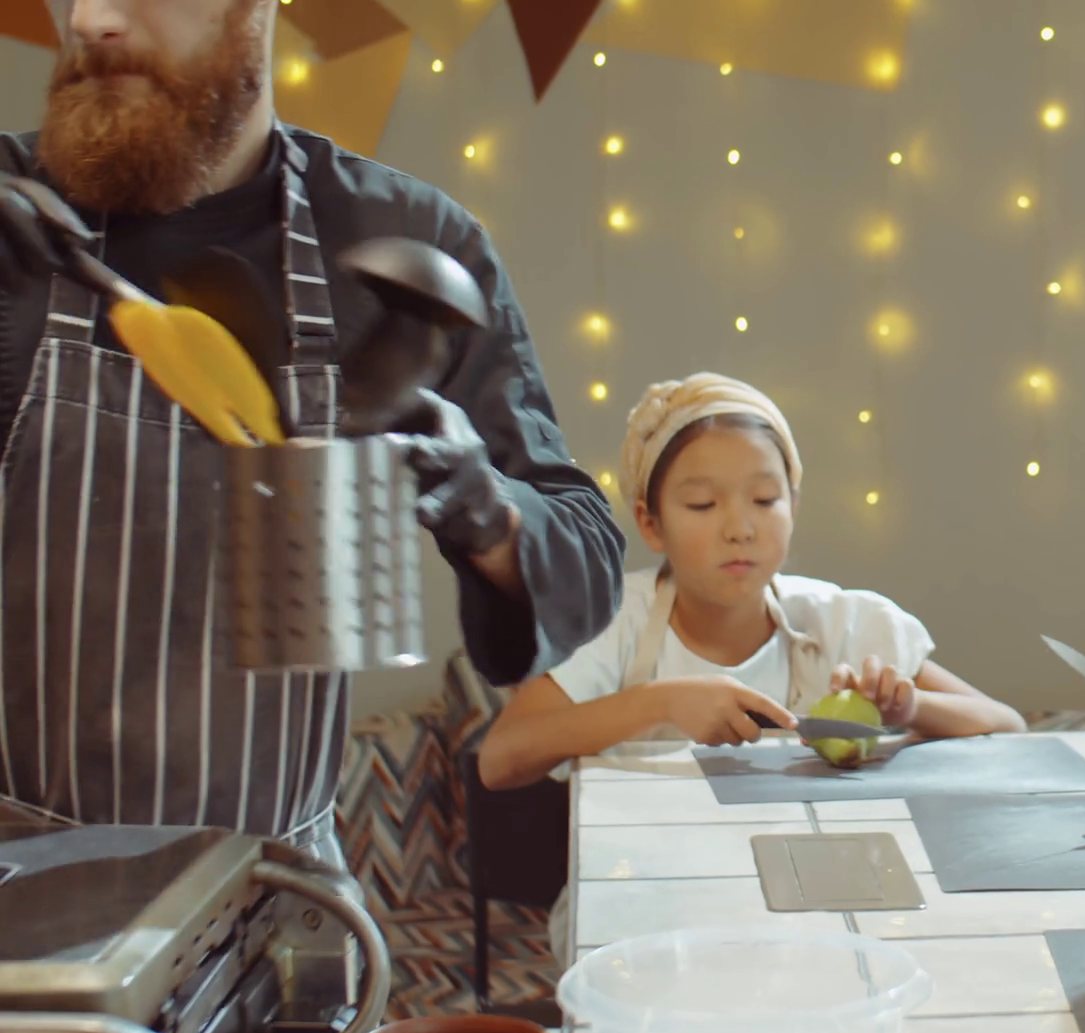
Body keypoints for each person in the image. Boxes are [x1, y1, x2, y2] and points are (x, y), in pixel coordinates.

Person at [0, 0, 626, 867]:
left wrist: (488, 512)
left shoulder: (407, 239)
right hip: (20, 901)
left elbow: (589, 564)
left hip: (280, 904)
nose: (90, 18)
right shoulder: (12, 226)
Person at [480, 373, 1024, 953]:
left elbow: (1007, 728)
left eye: (765, 500)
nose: (740, 529)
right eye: (702, 504)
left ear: (794, 506)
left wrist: (909, 708)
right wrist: (660, 703)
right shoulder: (611, 621)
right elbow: (501, 759)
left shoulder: (843, 623)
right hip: (645, 916)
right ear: (650, 522)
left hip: (815, 918)